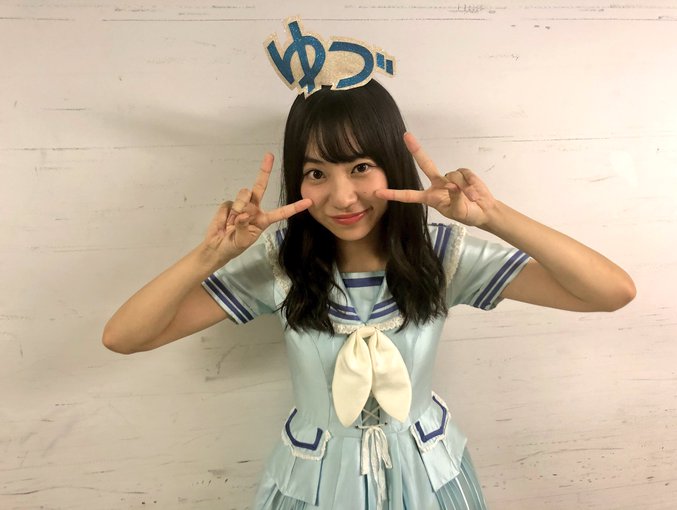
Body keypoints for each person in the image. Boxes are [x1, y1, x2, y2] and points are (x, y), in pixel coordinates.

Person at [103, 79, 635, 509]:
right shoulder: (280, 262)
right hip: (315, 484)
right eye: (316, 173)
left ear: (391, 163)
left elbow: (611, 292)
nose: (342, 197)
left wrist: (492, 215)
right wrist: (211, 254)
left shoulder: (441, 255)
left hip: (428, 478)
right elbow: (124, 337)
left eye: (360, 167)